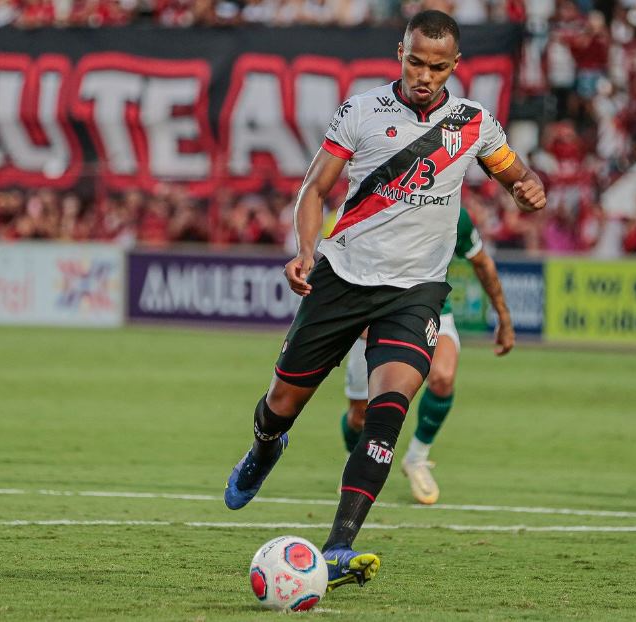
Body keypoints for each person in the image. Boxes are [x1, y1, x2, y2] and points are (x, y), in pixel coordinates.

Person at [222, 9, 546, 591]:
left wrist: (527, 186)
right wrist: (304, 251)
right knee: (280, 402)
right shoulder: (361, 111)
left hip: (414, 294)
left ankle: (339, 548)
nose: (425, 75)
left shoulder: (474, 124)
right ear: (401, 50)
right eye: (416, 61)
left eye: (438, 66)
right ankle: (264, 449)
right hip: (342, 278)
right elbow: (315, 188)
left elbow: (514, 173)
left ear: (455, 65)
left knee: (385, 415)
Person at [340, 206, 515, 505]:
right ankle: (355, 460)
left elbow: (481, 262)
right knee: (361, 414)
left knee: (443, 378)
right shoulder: (381, 201)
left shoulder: (455, 212)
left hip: (431, 309)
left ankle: (417, 458)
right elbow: (343, 257)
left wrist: (503, 316)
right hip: (375, 309)